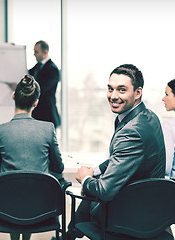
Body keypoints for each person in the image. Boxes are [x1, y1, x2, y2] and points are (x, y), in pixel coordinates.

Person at [65, 64, 166, 240]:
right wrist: (94, 171)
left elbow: (105, 191)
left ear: (138, 92)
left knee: (91, 190)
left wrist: (85, 179)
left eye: (121, 90)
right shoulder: (148, 116)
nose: (113, 96)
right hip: (154, 205)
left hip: (131, 214)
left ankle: (69, 235)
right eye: (110, 89)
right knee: (94, 182)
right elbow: (119, 158)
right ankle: (70, 235)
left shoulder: (131, 131)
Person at [0, 74, 64, 240]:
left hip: (7, 207)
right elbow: (59, 167)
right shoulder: (48, 128)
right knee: (29, 192)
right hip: (41, 207)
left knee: (16, 194)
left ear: (13, 96)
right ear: (36, 103)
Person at [28, 40, 61, 128]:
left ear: (45, 52)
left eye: (36, 52)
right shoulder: (37, 67)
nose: (34, 54)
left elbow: (41, 88)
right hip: (37, 115)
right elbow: (26, 73)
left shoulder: (53, 69)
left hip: (47, 116)